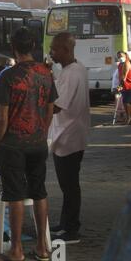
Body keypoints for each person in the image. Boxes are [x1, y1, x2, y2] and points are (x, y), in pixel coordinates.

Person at [0, 27, 57, 261]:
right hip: (38, 142)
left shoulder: (8, 76)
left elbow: (3, 118)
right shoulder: (46, 74)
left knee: (15, 195)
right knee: (39, 191)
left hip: (13, 144)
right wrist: (42, 132)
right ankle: (42, 248)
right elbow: (50, 109)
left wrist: (0, 144)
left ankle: (16, 250)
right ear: (34, 47)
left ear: (13, 48)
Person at [48, 32, 90, 244]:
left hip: (69, 136)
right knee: (68, 185)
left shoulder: (72, 73)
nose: (51, 54)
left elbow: (56, 106)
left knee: (70, 185)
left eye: (54, 50)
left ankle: (72, 229)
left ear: (65, 49)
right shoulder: (75, 69)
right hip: (70, 134)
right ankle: (66, 223)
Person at [117, 51, 131, 125]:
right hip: (125, 86)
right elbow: (120, 76)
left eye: (121, 56)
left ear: (125, 55)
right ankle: (128, 119)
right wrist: (120, 85)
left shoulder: (127, 63)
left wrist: (119, 86)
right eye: (118, 56)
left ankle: (130, 119)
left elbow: (124, 76)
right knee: (125, 103)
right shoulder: (119, 65)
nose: (120, 58)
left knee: (128, 103)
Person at [112, 52, 125, 123]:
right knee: (118, 103)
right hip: (116, 88)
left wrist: (119, 87)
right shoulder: (117, 69)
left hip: (119, 88)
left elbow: (122, 79)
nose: (117, 61)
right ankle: (120, 117)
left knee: (120, 104)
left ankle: (122, 118)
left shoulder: (121, 68)